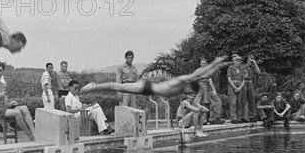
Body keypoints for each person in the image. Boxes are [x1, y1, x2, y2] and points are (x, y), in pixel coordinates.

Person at [82, 56, 228, 98]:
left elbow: (203, 76)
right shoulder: (182, 81)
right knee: (116, 87)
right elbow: (198, 74)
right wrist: (215, 63)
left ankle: (94, 86)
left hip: (147, 89)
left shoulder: (184, 88)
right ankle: (93, 86)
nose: (190, 94)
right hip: (146, 86)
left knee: (117, 87)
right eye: (191, 92)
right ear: (190, 87)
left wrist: (217, 67)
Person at [0, 62, 35, 141]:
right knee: (17, 113)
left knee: (24, 108)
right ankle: (30, 136)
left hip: (2, 109)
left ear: (3, 71)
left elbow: (3, 103)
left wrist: (10, 104)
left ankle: (34, 133)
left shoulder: (2, 85)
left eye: (0, 71)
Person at [196, 57, 224, 125]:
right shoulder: (197, 71)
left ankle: (211, 119)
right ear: (200, 63)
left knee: (208, 104)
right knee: (202, 104)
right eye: (202, 63)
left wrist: (214, 90)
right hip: (201, 88)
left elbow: (210, 81)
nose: (203, 64)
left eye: (204, 63)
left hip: (207, 88)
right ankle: (205, 120)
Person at [227, 54, 246, 123]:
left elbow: (243, 79)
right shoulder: (230, 68)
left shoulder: (242, 69)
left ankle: (239, 118)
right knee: (233, 103)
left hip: (240, 86)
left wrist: (240, 87)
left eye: (239, 61)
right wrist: (235, 87)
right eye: (237, 61)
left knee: (239, 103)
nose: (238, 62)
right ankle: (233, 118)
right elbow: (229, 79)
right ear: (234, 61)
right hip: (233, 86)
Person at [242, 53, 261, 121]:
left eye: (253, 60)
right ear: (247, 60)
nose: (251, 61)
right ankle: (245, 116)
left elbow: (258, 72)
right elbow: (242, 76)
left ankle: (252, 115)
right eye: (250, 60)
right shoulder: (244, 67)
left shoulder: (253, 67)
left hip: (251, 83)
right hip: (245, 83)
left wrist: (255, 63)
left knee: (251, 100)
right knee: (245, 100)